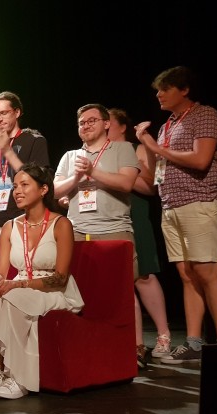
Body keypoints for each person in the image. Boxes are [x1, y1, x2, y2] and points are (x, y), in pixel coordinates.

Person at [134, 66, 217, 363]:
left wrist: (154, 147)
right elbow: (158, 172)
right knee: (187, 275)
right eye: (157, 90)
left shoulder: (205, 115)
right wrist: (148, 149)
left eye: (165, 89)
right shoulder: (167, 125)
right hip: (171, 206)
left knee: (207, 272)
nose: (159, 95)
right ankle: (193, 342)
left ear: (185, 90)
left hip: (200, 202)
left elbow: (201, 160)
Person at [0, 163, 83, 399]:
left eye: (24, 185)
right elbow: (1, 273)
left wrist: (18, 284)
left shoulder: (61, 224)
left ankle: (18, 377)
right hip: (19, 286)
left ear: (43, 189)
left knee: (14, 299)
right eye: (15, 186)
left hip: (53, 290)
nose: (17, 191)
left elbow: (60, 278)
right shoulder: (10, 226)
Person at [53, 103, 142, 366]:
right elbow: (55, 191)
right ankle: (88, 348)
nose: (86, 125)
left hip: (113, 230)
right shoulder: (70, 156)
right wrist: (76, 178)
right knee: (78, 291)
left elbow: (126, 183)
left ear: (106, 124)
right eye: (81, 122)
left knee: (122, 292)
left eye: (92, 120)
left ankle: (135, 348)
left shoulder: (123, 149)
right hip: (77, 232)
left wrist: (93, 172)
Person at [108, 108, 172, 361]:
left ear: (123, 126)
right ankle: (132, 342)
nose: (104, 127)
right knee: (117, 280)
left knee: (143, 274)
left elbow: (151, 186)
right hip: (108, 218)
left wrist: (117, 176)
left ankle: (163, 335)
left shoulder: (136, 149)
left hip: (135, 215)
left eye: (109, 122)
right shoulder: (100, 153)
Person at [0, 91, 51, 244]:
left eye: (4, 113)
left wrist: (7, 151)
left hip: (22, 217)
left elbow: (36, 179)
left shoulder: (34, 140)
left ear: (17, 112)